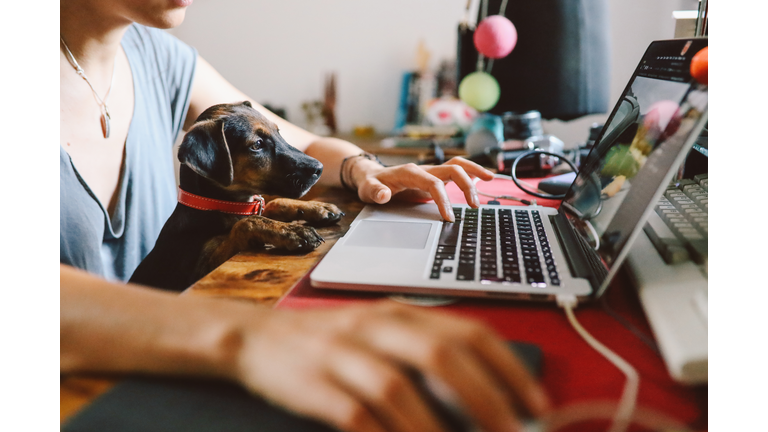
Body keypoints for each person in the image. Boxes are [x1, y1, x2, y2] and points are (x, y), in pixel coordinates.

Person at [60, 1, 551, 431]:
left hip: (164, 362)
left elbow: (308, 146)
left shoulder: (158, 56)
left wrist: (366, 171)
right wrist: (246, 335)